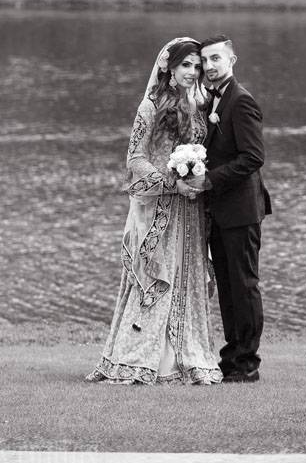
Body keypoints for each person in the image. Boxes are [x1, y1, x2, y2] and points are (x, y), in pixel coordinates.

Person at [86, 37, 222, 385]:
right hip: (161, 207)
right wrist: (169, 179)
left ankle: (184, 360)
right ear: (169, 67)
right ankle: (141, 360)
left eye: (196, 65)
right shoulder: (150, 106)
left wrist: (195, 174)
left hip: (191, 210)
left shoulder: (201, 105)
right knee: (158, 276)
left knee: (187, 276)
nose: (193, 72)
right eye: (185, 65)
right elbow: (135, 159)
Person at [187, 34, 272, 383]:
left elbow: (253, 157)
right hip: (220, 213)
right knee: (226, 286)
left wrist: (209, 181)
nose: (208, 66)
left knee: (244, 284)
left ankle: (247, 362)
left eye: (215, 59)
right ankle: (231, 356)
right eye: (204, 60)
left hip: (241, 211)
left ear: (231, 61)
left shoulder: (241, 101)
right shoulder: (213, 102)